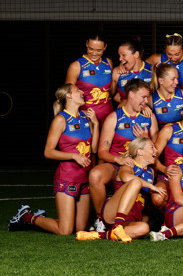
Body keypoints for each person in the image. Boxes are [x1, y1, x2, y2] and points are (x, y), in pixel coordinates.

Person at [9, 84, 99, 234]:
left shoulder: (85, 116)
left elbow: (94, 149)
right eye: (78, 90)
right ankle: (27, 217)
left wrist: (96, 124)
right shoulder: (60, 120)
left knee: (80, 229)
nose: (82, 92)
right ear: (69, 96)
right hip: (67, 178)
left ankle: (37, 217)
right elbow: (48, 152)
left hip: (84, 178)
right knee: (65, 230)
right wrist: (73, 155)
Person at [88, 79, 159, 231]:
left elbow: (156, 148)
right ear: (131, 95)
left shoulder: (149, 117)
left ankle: (142, 222)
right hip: (117, 165)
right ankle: (101, 219)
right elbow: (101, 152)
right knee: (95, 174)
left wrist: (147, 137)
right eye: (144, 97)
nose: (147, 101)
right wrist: (119, 159)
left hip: (139, 166)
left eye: (147, 98)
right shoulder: (114, 117)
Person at [76, 137, 167, 242]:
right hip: (113, 212)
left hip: (131, 218)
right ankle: (117, 226)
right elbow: (126, 178)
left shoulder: (151, 172)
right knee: (136, 182)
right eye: (152, 147)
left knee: (144, 228)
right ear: (140, 152)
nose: (156, 151)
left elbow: (146, 205)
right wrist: (151, 186)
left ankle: (101, 235)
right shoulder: (128, 166)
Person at [65, 31, 114, 125]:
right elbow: (68, 97)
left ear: (105, 47)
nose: (94, 53)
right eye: (91, 49)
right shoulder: (76, 66)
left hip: (108, 117)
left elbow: (111, 90)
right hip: (86, 119)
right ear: (86, 44)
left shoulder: (108, 62)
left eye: (99, 50)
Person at [150, 63, 183, 127]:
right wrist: (144, 107)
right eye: (173, 79)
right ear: (161, 81)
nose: (177, 82)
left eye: (177, 78)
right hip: (163, 135)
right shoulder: (151, 99)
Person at [111, 36, 153, 103]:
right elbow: (109, 96)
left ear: (136, 54)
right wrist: (124, 103)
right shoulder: (117, 72)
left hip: (148, 113)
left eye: (123, 55)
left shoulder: (152, 71)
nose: (120, 59)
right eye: (119, 55)